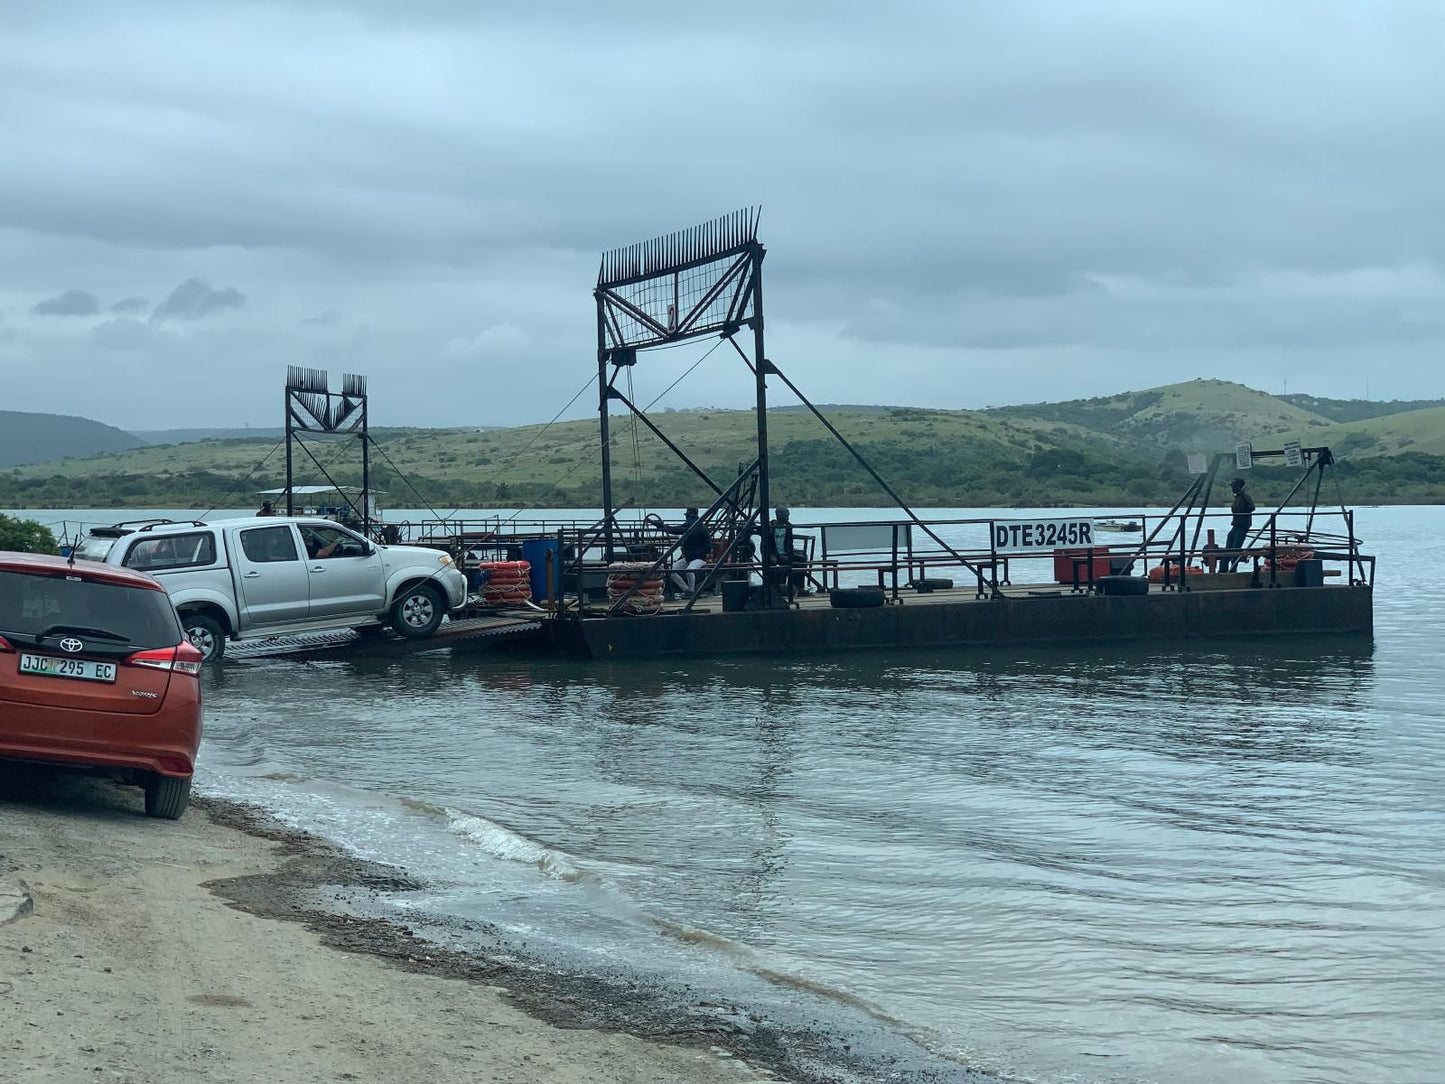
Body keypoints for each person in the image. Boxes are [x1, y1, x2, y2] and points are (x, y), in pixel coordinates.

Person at [653, 507, 712, 595]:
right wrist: (661, 526)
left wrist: (695, 554)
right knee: (672, 570)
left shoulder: (702, 529)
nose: (688, 519)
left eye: (689, 517)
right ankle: (686, 590)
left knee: (689, 570)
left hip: (699, 558)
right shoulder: (686, 526)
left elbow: (708, 547)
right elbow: (674, 530)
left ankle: (691, 591)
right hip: (688, 558)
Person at [768, 506, 810, 595]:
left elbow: (790, 543)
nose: (788, 518)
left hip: (785, 552)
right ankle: (774, 587)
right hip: (773, 553)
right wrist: (777, 555)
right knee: (774, 561)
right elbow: (767, 545)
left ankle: (799, 587)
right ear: (779, 516)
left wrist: (792, 553)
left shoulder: (788, 526)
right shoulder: (770, 527)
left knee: (802, 560)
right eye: (786, 516)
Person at [1225, 477, 1255, 571]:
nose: (1232, 488)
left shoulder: (1245, 497)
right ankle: (1223, 569)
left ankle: (1233, 570)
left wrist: (1242, 495)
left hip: (1242, 526)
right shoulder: (1236, 498)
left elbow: (1252, 508)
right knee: (1228, 548)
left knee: (1236, 549)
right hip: (1235, 526)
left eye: (1234, 486)